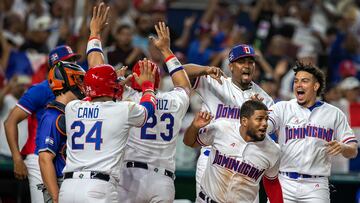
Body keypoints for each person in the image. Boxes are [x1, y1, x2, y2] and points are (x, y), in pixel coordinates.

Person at [58, 60, 157, 203]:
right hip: (98, 187)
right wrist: (148, 86)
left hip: (68, 188)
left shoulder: (72, 107)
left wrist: (110, 84)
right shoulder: (123, 109)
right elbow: (147, 111)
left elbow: (90, 98)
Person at [183, 44, 274, 195]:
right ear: (231, 66)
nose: (247, 66)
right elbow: (178, 71)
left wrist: (257, 111)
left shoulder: (264, 99)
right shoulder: (216, 82)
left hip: (245, 162)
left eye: (250, 62)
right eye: (241, 62)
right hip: (212, 156)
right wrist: (204, 69)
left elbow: (265, 135)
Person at [118, 22, 191, 202]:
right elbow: (184, 85)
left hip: (131, 177)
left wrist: (119, 81)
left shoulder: (128, 100)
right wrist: (166, 50)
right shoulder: (174, 101)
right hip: (163, 179)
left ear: (134, 80)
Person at [267, 61, 358, 203]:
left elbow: (353, 150)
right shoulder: (282, 108)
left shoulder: (334, 113)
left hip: (316, 186)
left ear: (316, 86)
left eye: (304, 81)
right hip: (285, 182)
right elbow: (263, 127)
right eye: (296, 81)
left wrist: (343, 147)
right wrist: (256, 112)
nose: (298, 85)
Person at [4, 45, 81, 203]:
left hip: (64, 158)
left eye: (74, 59)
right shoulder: (41, 89)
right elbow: (10, 121)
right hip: (39, 154)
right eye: (69, 61)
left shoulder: (78, 89)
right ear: (56, 66)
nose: (74, 64)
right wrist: (17, 158)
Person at [184, 100, 283, 203]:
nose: (265, 124)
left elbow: (272, 183)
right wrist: (194, 127)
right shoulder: (222, 129)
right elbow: (189, 142)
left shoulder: (273, 150)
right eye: (259, 119)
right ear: (244, 121)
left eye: (266, 119)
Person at [36, 62, 86, 203]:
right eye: (79, 79)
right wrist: (56, 198)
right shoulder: (53, 116)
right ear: (67, 81)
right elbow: (45, 159)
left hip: (73, 183)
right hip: (59, 183)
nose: (82, 84)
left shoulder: (72, 111)